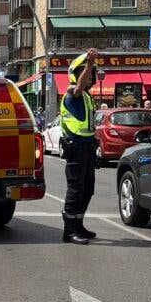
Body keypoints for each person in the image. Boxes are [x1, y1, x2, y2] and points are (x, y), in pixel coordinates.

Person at [60, 50, 100, 245]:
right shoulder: (73, 93)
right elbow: (79, 86)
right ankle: (69, 231)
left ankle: (79, 223)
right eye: (88, 74)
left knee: (87, 189)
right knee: (76, 190)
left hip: (87, 147)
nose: (92, 77)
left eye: (93, 74)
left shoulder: (87, 97)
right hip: (75, 147)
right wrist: (89, 64)